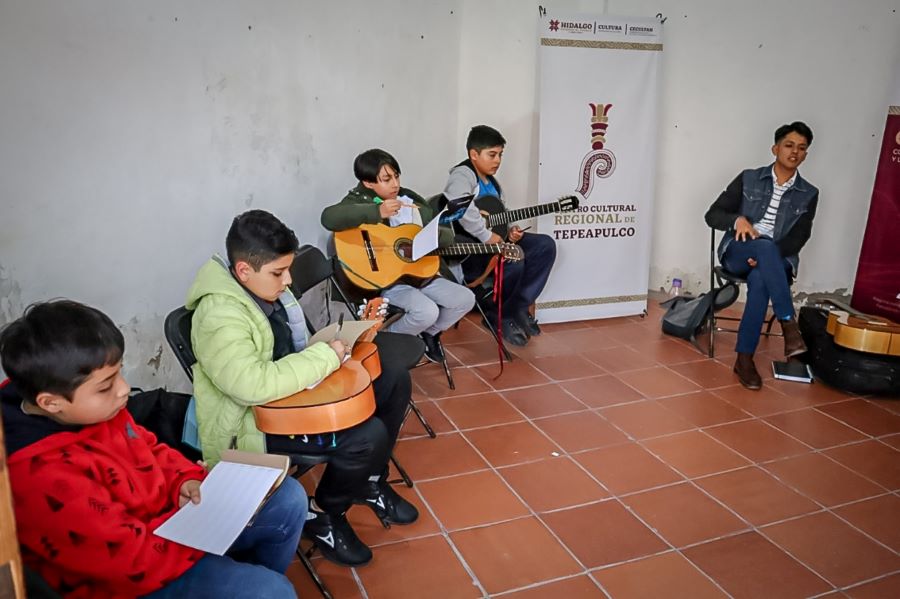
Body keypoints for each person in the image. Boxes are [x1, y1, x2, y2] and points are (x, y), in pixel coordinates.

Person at [0, 300, 303, 598]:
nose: (122, 389)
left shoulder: (93, 409)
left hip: (171, 529)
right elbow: (130, 563)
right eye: (105, 386)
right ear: (51, 402)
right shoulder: (40, 477)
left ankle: (235, 576)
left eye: (118, 372)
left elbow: (148, 446)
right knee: (271, 593)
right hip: (128, 578)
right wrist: (203, 532)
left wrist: (183, 479)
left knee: (288, 498)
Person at [186, 209, 417, 568]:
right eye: (278, 272)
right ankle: (323, 514)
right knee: (365, 436)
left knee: (393, 378)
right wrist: (325, 357)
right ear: (244, 270)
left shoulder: (266, 289)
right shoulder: (219, 315)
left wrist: (341, 342)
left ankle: (369, 480)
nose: (288, 279)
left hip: (292, 396)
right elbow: (251, 386)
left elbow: (292, 349)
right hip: (256, 423)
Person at [321, 148, 475, 363]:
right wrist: (378, 212)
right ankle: (382, 343)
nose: (395, 184)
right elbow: (329, 218)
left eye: (396, 176)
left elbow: (445, 232)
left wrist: (431, 235)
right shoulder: (357, 200)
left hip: (418, 273)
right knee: (426, 311)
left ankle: (429, 333)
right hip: (384, 281)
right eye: (386, 179)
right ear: (368, 183)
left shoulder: (407, 198)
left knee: (465, 298)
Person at [705, 121, 818, 390]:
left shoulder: (809, 194)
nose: (795, 152)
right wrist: (738, 221)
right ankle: (789, 326)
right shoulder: (749, 178)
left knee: (760, 279)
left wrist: (767, 257)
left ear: (806, 154)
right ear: (775, 148)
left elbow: (799, 237)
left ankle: (744, 359)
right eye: (789, 145)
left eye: (802, 148)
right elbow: (712, 215)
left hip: (773, 260)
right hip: (738, 252)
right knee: (764, 249)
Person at [444, 125, 557, 346]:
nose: (497, 161)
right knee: (515, 257)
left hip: (494, 243)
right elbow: (459, 206)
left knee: (545, 245)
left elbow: (500, 216)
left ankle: (518, 307)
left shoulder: (492, 182)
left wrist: (510, 230)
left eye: (500, 155)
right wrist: (486, 235)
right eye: (492, 155)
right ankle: (500, 317)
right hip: (471, 251)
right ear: (473, 154)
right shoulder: (462, 175)